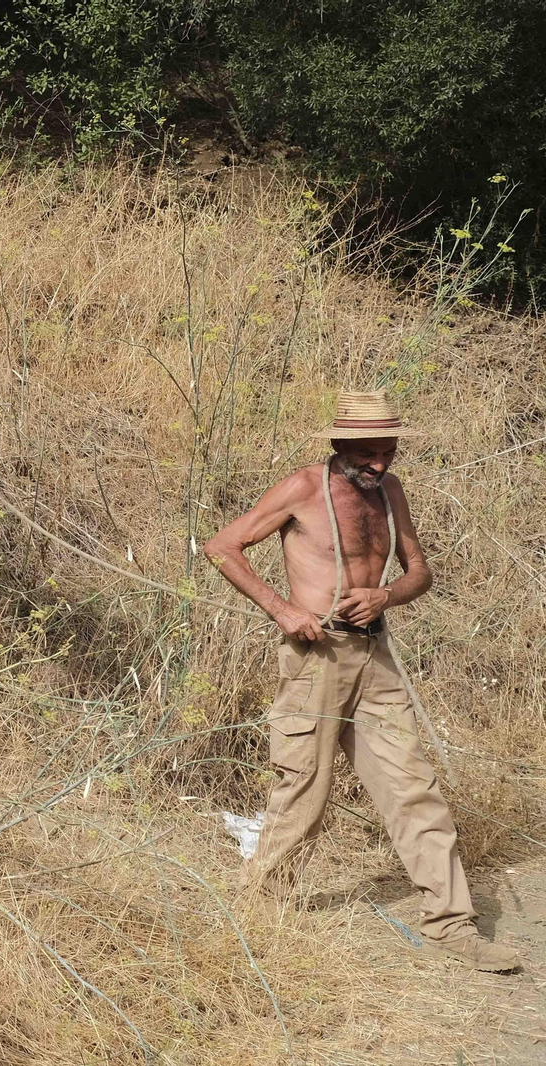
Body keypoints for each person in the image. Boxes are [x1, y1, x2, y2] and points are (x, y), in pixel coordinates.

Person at [202, 390, 521, 972]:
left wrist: (385, 595)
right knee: (304, 789)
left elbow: (419, 571)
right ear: (339, 444)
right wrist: (284, 611)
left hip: (375, 658)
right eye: (369, 453)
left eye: (389, 451)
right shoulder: (301, 488)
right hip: (315, 657)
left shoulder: (390, 491)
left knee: (413, 787)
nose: (380, 463)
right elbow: (222, 547)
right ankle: (256, 912)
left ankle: (451, 925)